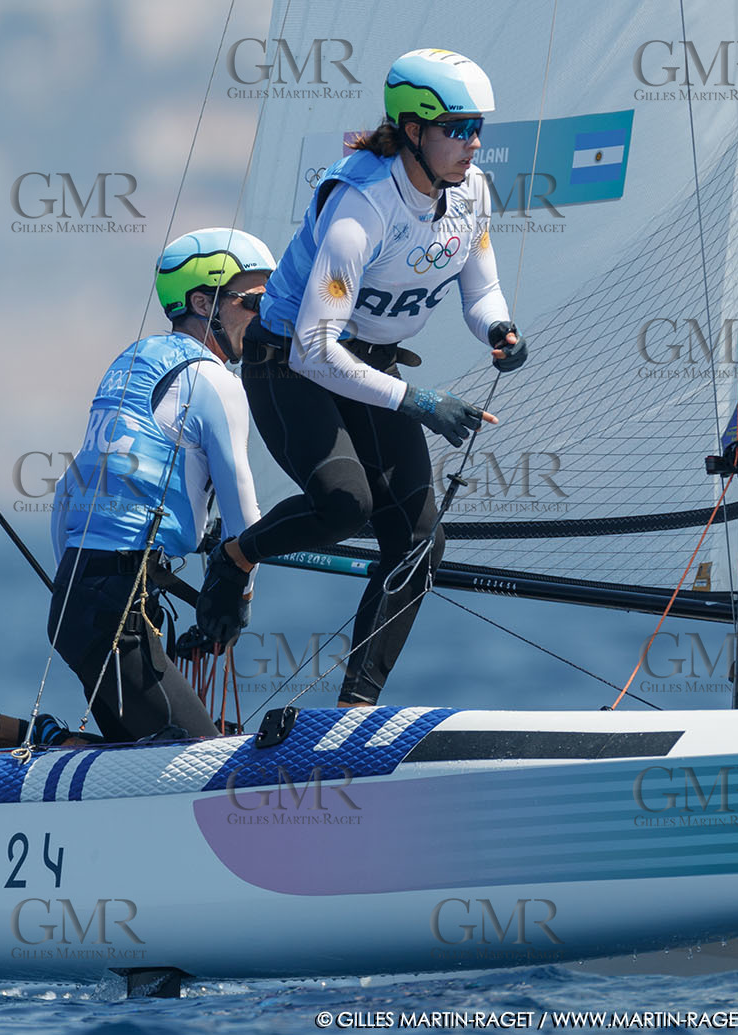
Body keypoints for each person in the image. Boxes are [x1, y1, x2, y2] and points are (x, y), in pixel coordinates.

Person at [228, 48, 529, 709]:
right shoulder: (361, 205)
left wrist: (499, 329)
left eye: (478, 127)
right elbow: (313, 349)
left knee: (421, 542)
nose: (474, 143)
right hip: (291, 364)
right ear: (413, 131)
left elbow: (482, 291)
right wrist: (416, 401)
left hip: (369, 364)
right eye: (458, 128)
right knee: (345, 504)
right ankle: (238, 555)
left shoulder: (472, 192)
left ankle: (355, 707)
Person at [0, 228, 273, 750]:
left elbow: (71, 490)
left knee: (134, 755)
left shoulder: (133, 363)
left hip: (82, 599)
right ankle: (20, 737)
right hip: (117, 612)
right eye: (253, 301)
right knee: (199, 758)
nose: (265, 316)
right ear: (204, 303)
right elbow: (246, 521)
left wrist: (76, 584)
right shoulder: (218, 384)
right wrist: (236, 602)